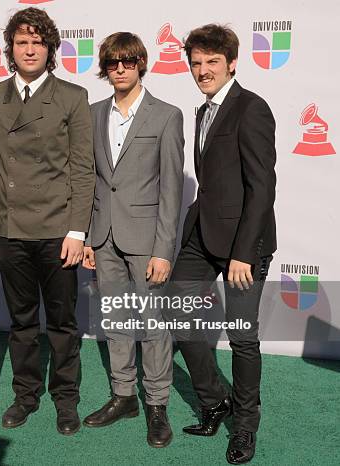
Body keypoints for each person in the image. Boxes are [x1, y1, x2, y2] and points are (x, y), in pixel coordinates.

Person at [167, 24, 276, 464]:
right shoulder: (203, 110)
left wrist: (242, 253)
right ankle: (214, 399)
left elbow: (262, 187)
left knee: (243, 337)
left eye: (212, 61)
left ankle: (245, 426)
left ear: (232, 62)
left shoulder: (251, 108)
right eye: (196, 63)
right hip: (202, 234)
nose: (203, 70)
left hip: (243, 244)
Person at [0, 7, 94, 436]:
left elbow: (83, 169)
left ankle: (66, 399)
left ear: (50, 50)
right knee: (22, 322)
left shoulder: (72, 96)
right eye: (22, 42)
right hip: (10, 229)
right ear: (10, 49)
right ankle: (25, 395)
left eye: (38, 42)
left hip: (56, 230)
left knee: (63, 324)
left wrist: (77, 231)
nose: (30, 49)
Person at [81, 32, 184, 448]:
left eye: (127, 61)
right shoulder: (91, 114)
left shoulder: (166, 115)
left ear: (141, 63)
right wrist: (88, 237)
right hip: (103, 237)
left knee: (154, 325)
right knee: (117, 321)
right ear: (105, 69)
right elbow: (89, 181)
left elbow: (172, 190)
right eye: (112, 63)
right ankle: (123, 395)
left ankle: (156, 404)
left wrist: (163, 249)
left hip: (146, 240)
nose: (119, 68)